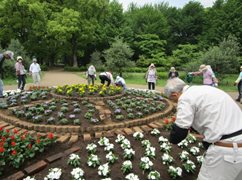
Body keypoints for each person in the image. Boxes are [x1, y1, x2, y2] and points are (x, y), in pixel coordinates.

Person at [164, 78, 242, 180]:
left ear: (175, 95)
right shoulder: (205, 90)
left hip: (226, 152)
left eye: (173, 99)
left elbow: (180, 131)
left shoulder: (185, 98)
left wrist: (170, 139)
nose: (175, 102)